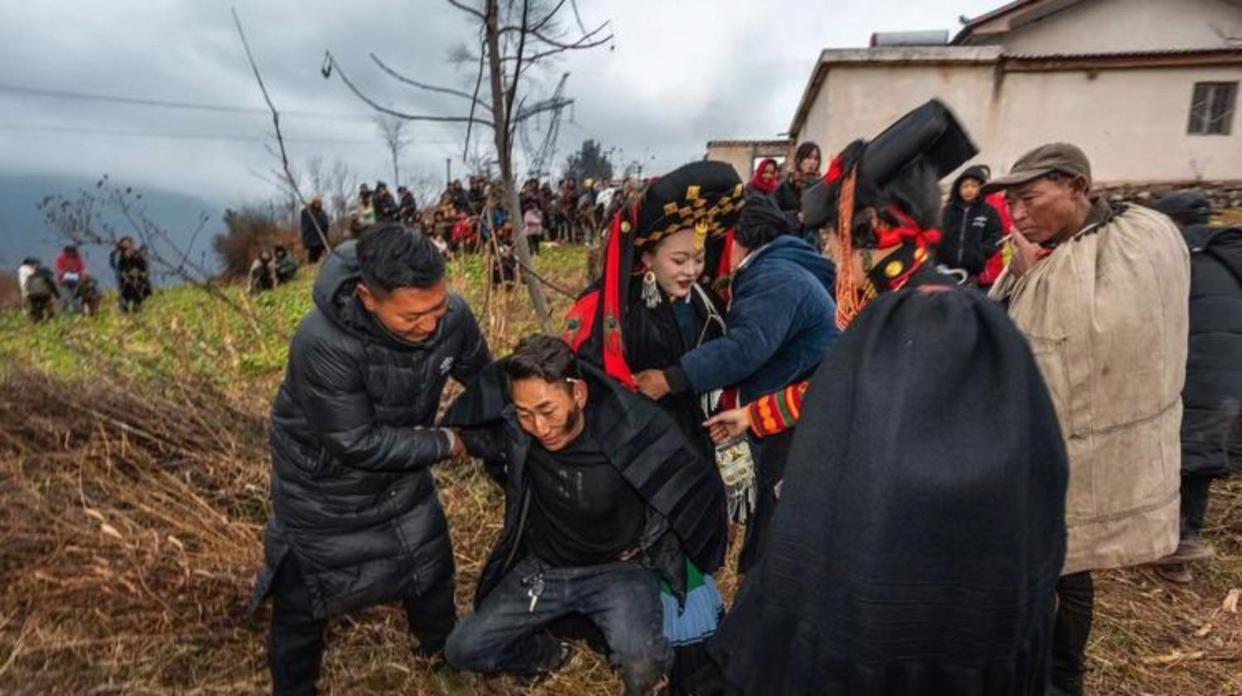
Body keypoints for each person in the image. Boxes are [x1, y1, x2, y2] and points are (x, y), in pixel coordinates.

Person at [712, 97, 1068, 696]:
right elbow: (843, 391)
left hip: (905, 604)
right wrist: (755, 414)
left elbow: (876, 450)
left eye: (833, 237)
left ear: (871, 229)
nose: (830, 254)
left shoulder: (907, 322)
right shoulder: (961, 310)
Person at [249, 223, 491, 694]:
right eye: (412, 316)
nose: (430, 325)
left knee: (430, 569)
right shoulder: (322, 342)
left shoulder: (453, 318)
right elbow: (357, 441)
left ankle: (440, 658)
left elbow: (486, 380)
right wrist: (448, 442)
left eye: (438, 307)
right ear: (367, 297)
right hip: (323, 490)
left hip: (402, 476)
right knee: (305, 596)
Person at [985, 143, 1189, 696]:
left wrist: (1035, 278)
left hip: (1086, 448)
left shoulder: (1127, 252)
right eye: (1011, 203)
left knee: (1070, 565)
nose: (1018, 215)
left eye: (1029, 199)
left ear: (1077, 187)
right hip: (1034, 446)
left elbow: (1107, 336)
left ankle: (1062, 675)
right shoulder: (1047, 256)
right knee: (1036, 564)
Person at [441, 335, 728, 696]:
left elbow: (689, 483)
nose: (539, 427)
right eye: (525, 413)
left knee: (642, 667)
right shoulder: (519, 432)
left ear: (578, 394)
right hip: (546, 570)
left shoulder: (628, 432)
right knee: (462, 649)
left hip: (619, 572)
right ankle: (548, 654)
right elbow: (481, 440)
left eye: (547, 411)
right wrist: (441, 440)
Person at [563, 161, 742, 694]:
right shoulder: (609, 309)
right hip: (639, 453)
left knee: (689, 536)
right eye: (678, 260)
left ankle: (691, 642)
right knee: (656, 545)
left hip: (690, 440)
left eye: (699, 258)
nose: (692, 270)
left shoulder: (702, 301)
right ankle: (667, 647)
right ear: (645, 258)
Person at [635, 192, 837, 574]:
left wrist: (672, 378)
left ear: (735, 239)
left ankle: (760, 579)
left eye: (701, 254)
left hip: (797, 414)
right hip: (793, 403)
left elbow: (744, 348)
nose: (697, 267)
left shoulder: (774, 278)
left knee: (775, 507)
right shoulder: (780, 267)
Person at [1150, 192, 1242, 584]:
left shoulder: (1179, 258)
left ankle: (1175, 546)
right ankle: (1180, 544)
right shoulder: (1229, 256)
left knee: (1176, 455)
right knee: (1201, 456)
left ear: (1172, 223)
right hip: (1231, 377)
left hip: (1197, 369)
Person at [937, 164, 1003, 283]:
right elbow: (937, 235)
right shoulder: (947, 211)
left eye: (974, 186)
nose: (969, 190)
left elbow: (996, 236)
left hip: (974, 275)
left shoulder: (989, 211)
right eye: (965, 186)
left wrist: (979, 254)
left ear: (980, 188)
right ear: (958, 189)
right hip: (946, 272)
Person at [774, 141, 822, 245]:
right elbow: (773, 214)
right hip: (789, 241)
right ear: (799, 160)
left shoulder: (820, 186)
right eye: (808, 158)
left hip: (813, 243)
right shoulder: (784, 186)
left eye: (816, 159)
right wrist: (796, 217)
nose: (812, 162)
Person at [114, 241, 151, 313]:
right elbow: (120, 273)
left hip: (139, 286)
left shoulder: (139, 257)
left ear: (131, 247)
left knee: (137, 307)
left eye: (126, 249)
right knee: (123, 305)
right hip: (127, 287)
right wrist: (126, 277)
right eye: (122, 250)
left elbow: (146, 272)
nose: (125, 252)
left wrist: (137, 275)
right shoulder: (122, 260)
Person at [20, 258, 58, 322]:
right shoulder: (46, 277)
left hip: (32, 295)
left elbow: (27, 286)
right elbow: (52, 286)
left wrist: (26, 293)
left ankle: (35, 320)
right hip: (44, 294)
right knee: (47, 307)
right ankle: (47, 319)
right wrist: (56, 294)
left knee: (34, 308)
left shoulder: (30, 276)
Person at [54, 245, 86, 314]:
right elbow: (58, 270)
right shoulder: (60, 258)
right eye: (70, 253)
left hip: (75, 282)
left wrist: (78, 273)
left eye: (73, 252)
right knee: (64, 299)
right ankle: (62, 314)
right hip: (63, 282)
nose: (71, 254)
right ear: (66, 252)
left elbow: (82, 269)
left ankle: (78, 313)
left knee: (75, 299)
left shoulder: (78, 258)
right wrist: (66, 271)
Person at [300, 196, 331, 263]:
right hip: (312, 239)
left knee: (321, 255)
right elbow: (305, 219)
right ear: (313, 203)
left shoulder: (322, 213)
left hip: (321, 238)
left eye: (319, 203)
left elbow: (325, 224)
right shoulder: (308, 212)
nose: (318, 204)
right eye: (316, 203)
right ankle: (311, 264)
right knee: (313, 255)